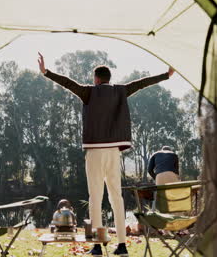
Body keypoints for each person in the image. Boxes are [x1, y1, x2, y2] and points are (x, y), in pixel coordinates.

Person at [37, 52, 174, 256]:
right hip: (112, 152)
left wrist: (46, 72)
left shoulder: (89, 92)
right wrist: (166, 75)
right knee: (116, 198)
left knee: (95, 198)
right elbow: (141, 83)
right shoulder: (121, 91)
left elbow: (68, 83)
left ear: (97, 79)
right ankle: (122, 245)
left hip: (94, 152)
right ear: (109, 79)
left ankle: (98, 246)